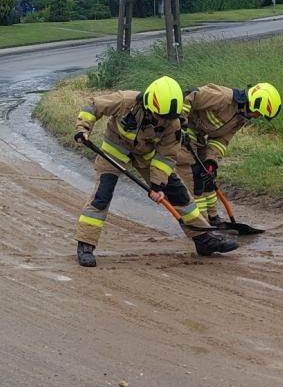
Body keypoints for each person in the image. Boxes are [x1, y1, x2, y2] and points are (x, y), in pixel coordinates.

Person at [71, 76, 238, 267]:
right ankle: (85, 244)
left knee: (179, 194)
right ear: (150, 104)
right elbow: (93, 106)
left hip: (146, 155)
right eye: (160, 117)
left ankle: (203, 239)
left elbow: (166, 156)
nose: (164, 122)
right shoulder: (125, 101)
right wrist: (83, 128)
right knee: (102, 195)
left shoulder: (173, 124)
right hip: (114, 150)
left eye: (168, 118)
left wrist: (158, 186)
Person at [177, 83, 281, 225]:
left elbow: (221, 140)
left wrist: (211, 160)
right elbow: (190, 95)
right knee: (194, 175)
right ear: (254, 104)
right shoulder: (222, 97)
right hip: (185, 130)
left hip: (199, 136)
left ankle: (213, 217)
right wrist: (180, 123)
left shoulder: (240, 118)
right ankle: (201, 221)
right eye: (259, 113)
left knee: (207, 176)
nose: (257, 117)